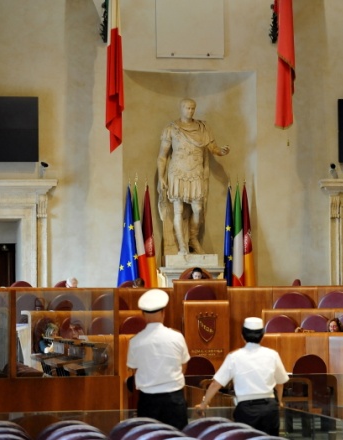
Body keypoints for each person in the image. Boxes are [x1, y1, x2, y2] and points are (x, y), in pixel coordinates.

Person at [157, 98, 230, 256]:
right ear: (181, 108)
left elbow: (212, 147)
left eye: (192, 108)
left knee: (197, 208)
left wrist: (221, 152)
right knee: (178, 209)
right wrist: (161, 176)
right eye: (187, 108)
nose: (190, 111)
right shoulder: (171, 128)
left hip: (196, 171)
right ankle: (182, 246)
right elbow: (162, 156)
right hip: (177, 172)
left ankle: (193, 238)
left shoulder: (203, 129)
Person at [196, 317, 289, 436]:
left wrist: (204, 404)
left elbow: (216, 384)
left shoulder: (234, 357)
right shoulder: (273, 355)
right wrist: (279, 402)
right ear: (263, 335)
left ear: (242, 335)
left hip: (246, 410)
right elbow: (280, 383)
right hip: (269, 409)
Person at [127, 289, 190, 429]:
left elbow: (134, 368)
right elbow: (184, 364)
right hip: (174, 399)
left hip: (147, 400)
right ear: (163, 313)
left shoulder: (135, 341)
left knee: (150, 436)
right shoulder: (177, 337)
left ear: (143, 315)